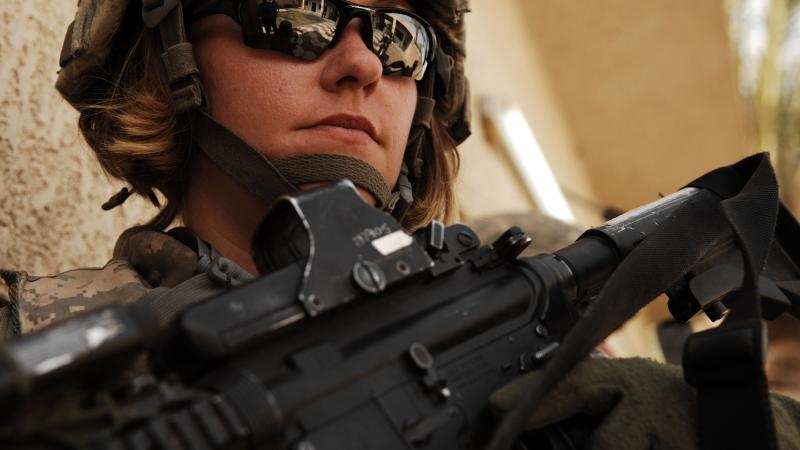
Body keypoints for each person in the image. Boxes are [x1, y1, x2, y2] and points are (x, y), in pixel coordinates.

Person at [0, 0, 798, 449]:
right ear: (168, 54)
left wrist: (733, 429)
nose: (363, 65)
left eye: (398, 35)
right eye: (300, 11)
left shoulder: (523, 295)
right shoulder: (33, 351)